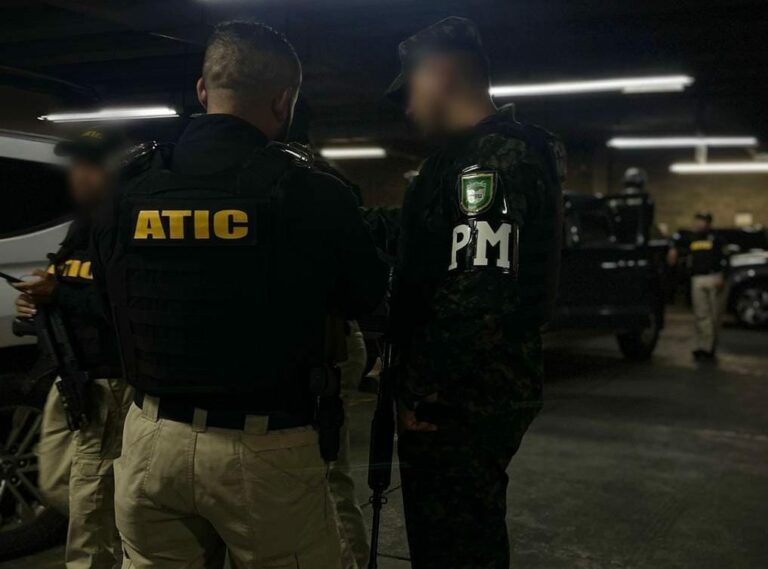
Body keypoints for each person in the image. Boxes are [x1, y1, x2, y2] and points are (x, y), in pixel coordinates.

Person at [91, 20, 386, 568]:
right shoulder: (313, 192)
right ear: (283, 101)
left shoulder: (127, 186)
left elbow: (106, 300)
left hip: (150, 439)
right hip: (265, 451)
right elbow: (366, 299)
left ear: (204, 90)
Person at [384, 17, 564, 569]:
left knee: (455, 547)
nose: (408, 108)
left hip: (461, 400)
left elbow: (479, 293)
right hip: (469, 393)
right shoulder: (464, 158)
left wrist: (422, 390)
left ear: (441, 75)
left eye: (411, 89)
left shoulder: (490, 161)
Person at [14, 127, 132, 569]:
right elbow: (68, 284)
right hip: (75, 375)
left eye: (91, 165)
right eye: (77, 164)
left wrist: (58, 293)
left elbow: (124, 305)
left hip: (109, 380)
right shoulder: (84, 225)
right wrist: (37, 300)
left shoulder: (125, 225)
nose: (79, 175)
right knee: (61, 481)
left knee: (90, 497)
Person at [668, 212, 726, 359]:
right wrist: (673, 249)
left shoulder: (716, 238)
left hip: (713, 277)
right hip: (697, 278)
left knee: (714, 316)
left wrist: (722, 276)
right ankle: (703, 347)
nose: (700, 224)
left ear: (709, 223)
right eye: (698, 221)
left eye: (703, 221)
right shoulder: (691, 238)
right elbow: (676, 241)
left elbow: (725, 258)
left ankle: (711, 347)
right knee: (701, 315)